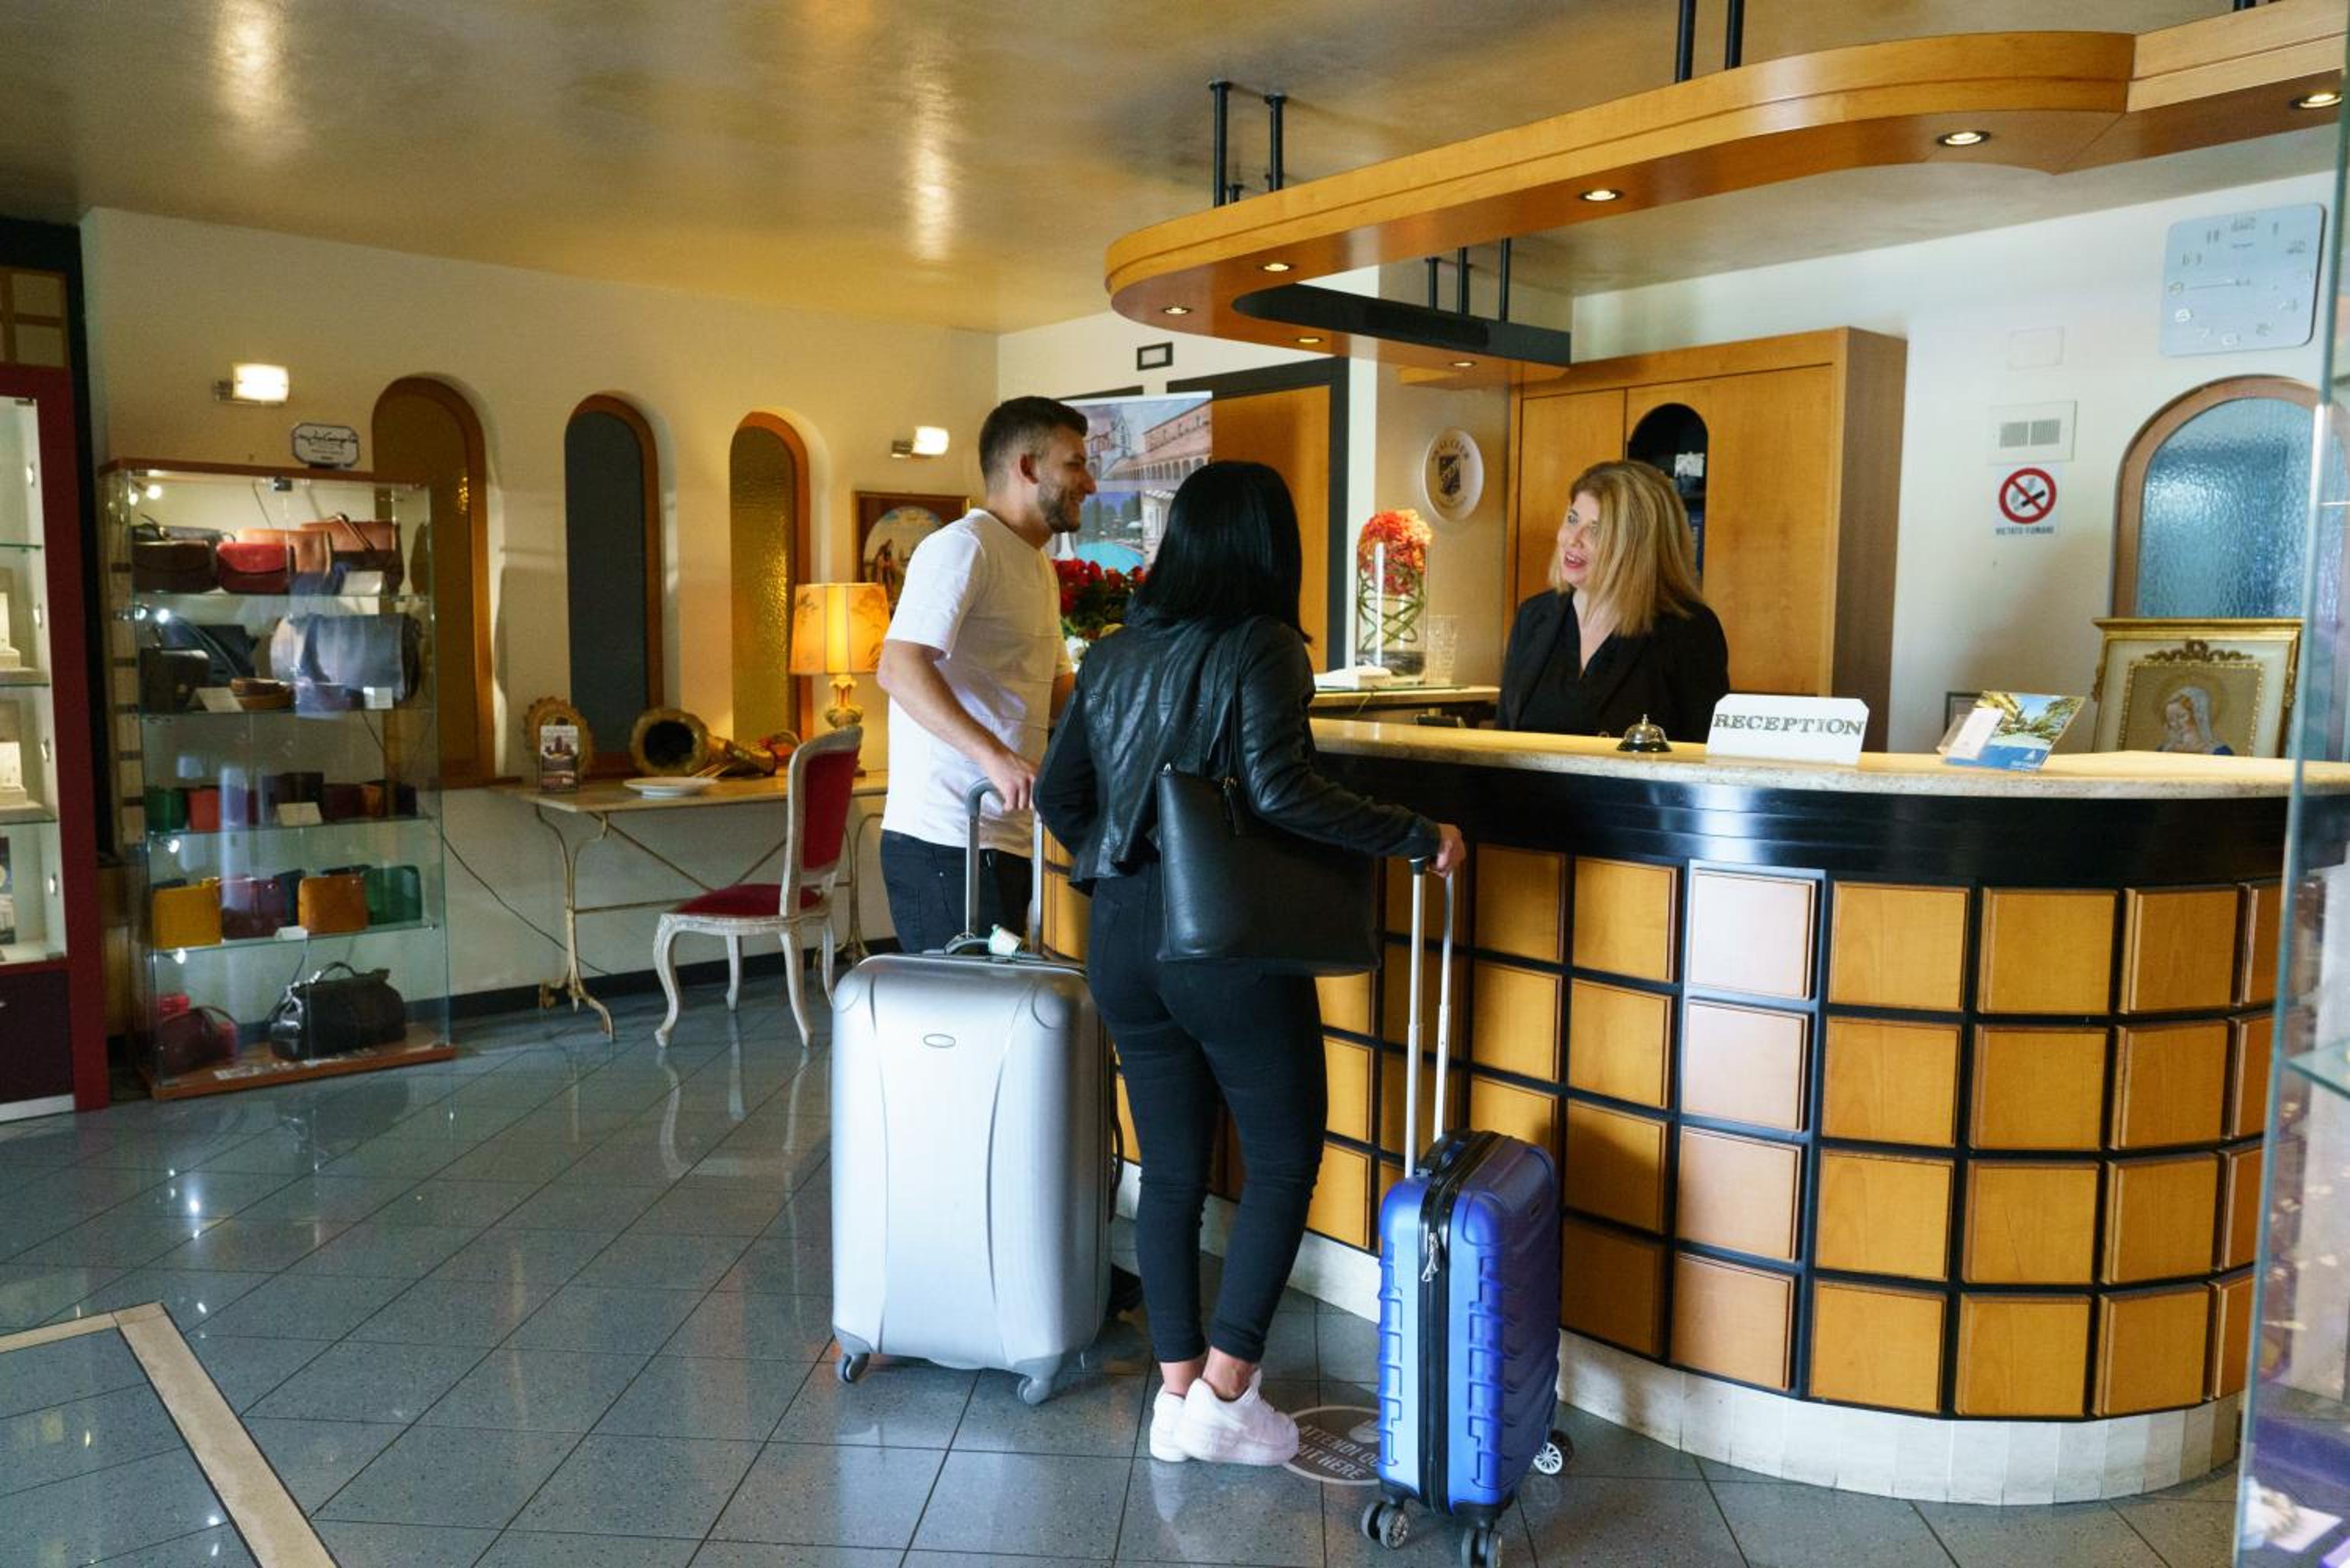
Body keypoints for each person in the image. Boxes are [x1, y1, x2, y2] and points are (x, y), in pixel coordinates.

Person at [1037, 461, 1466, 1467]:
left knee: (1171, 1167)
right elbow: (1279, 789)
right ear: (1269, 548)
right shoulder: (1260, 644)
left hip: (1122, 941)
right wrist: (1416, 833)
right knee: (1280, 1155)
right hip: (1221, 942)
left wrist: (1122, 864)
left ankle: (1177, 1391)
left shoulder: (1113, 653)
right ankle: (1227, 1395)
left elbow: (1059, 796)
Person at [875, 396, 1093, 955]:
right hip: (946, 840)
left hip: (1006, 835)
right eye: (1074, 465)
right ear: (1027, 467)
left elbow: (1055, 691)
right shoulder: (963, 547)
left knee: (1007, 1003)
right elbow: (898, 667)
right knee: (964, 1008)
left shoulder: (1036, 562)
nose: (1089, 484)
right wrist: (994, 757)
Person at [1498, 458, 1729, 742]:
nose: (1573, 539)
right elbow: (1501, 743)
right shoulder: (1533, 616)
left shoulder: (1688, 629)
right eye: (1573, 519)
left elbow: (1706, 755)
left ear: (1636, 547)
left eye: (1596, 529)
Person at [2158, 683, 2233, 755]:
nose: (2176, 724)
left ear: (2197, 715)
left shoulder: (2219, 751)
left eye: (2181, 716)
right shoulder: (2163, 750)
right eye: (2171, 719)